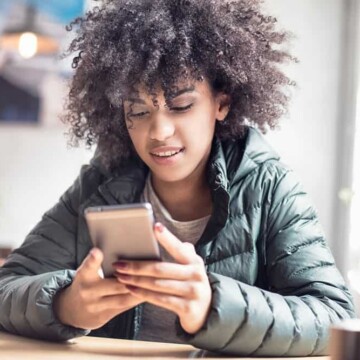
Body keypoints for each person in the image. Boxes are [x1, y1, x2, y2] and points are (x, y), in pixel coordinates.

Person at [0, 0, 355, 356]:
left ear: (222, 103)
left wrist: (211, 305)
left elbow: (334, 317)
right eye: (138, 110)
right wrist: (65, 305)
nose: (159, 131)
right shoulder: (100, 185)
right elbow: (6, 289)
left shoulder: (270, 187)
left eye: (181, 106)